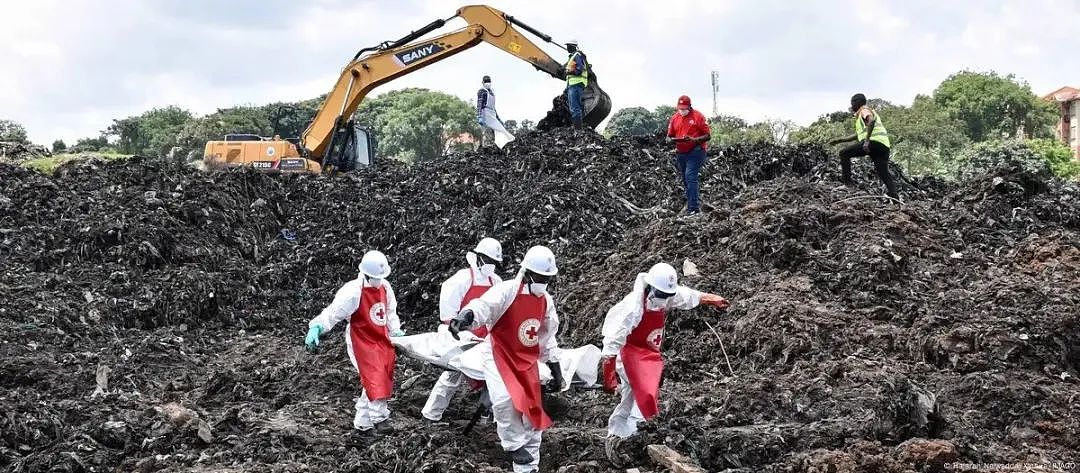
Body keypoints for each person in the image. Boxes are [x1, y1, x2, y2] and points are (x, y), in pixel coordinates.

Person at [447, 245, 564, 473]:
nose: (543, 282)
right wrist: (466, 317)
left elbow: (548, 338)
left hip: (526, 361)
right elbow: (484, 306)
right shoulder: (508, 291)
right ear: (528, 273)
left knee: (532, 411)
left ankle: (529, 466)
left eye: (547, 278)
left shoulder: (545, 301)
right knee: (505, 400)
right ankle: (512, 445)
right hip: (499, 354)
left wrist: (556, 370)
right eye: (540, 276)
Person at [600, 263, 730, 464]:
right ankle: (632, 436)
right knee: (643, 393)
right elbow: (612, 342)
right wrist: (608, 375)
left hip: (650, 353)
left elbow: (686, 296)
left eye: (666, 294)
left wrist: (710, 299)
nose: (663, 298)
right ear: (651, 287)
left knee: (633, 395)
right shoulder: (632, 307)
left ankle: (622, 434)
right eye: (660, 293)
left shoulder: (667, 296)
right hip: (630, 353)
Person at [304, 250, 404, 433]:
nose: (378, 280)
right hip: (362, 340)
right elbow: (333, 313)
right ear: (366, 274)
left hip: (381, 337)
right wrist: (317, 327)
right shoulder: (352, 292)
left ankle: (363, 423)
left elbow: (390, 311)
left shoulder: (385, 286)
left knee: (383, 374)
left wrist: (395, 329)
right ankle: (378, 418)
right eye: (375, 277)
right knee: (373, 377)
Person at [421, 237, 505, 422]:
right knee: (452, 377)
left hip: (485, 337)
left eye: (494, 262)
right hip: (461, 336)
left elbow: (498, 310)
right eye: (489, 261)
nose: (491, 265)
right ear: (479, 257)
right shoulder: (462, 279)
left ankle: (487, 417)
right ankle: (431, 414)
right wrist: (458, 332)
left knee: (492, 379)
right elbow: (448, 315)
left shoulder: (496, 282)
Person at [829, 93, 898, 200]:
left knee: (844, 153)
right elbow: (858, 135)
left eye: (852, 103)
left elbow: (871, 121)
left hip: (873, 142)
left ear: (857, 102)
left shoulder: (864, 110)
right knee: (883, 172)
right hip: (884, 146)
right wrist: (840, 140)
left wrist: (866, 141)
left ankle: (848, 184)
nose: (851, 106)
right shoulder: (863, 115)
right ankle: (894, 196)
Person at [666, 95, 711, 216]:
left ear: (689, 106)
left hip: (696, 151)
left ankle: (694, 209)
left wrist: (694, 140)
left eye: (684, 108)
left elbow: (708, 136)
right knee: (686, 179)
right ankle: (692, 202)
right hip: (681, 152)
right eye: (680, 108)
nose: (682, 111)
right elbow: (669, 136)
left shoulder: (698, 116)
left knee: (690, 176)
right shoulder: (674, 118)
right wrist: (670, 140)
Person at [476, 76, 514, 148]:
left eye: (488, 81)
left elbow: (493, 106)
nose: (487, 83)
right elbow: (479, 104)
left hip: (492, 113)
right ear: (483, 82)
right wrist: (479, 116)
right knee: (487, 132)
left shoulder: (492, 92)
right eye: (486, 81)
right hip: (485, 113)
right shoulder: (481, 91)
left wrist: (498, 118)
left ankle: (501, 146)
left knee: (500, 130)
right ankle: (486, 148)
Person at [564, 40, 589, 128]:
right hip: (573, 85)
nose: (567, 48)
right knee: (575, 108)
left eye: (568, 46)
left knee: (575, 108)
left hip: (576, 84)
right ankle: (578, 128)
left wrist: (569, 72)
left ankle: (578, 130)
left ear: (572, 46)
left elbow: (579, 70)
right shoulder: (573, 57)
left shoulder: (577, 56)